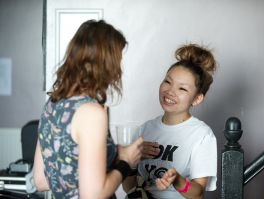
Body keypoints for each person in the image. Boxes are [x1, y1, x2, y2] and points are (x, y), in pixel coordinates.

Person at [33, 19, 143, 199]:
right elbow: (93, 195)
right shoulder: (91, 112)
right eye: (117, 61)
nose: (118, 71)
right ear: (106, 63)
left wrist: (114, 153)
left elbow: (41, 180)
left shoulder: (51, 105)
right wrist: (125, 162)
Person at [123, 44, 217, 199]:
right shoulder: (144, 129)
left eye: (182, 89)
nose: (170, 91)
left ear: (197, 98)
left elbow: (198, 193)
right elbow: (129, 187)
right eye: (167, 81)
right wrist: (131, 161)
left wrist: (178, 180)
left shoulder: (202, 135)